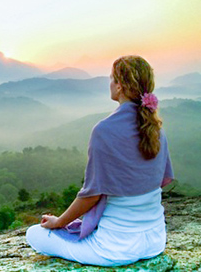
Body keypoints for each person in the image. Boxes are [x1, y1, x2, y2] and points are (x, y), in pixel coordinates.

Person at [26, 55, 174, 267]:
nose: (110, 83)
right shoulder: (156, 129)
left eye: (112, 78)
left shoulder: (104, 130)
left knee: (35, 234)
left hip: (115, 248)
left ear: (120, 86)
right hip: (155, 241)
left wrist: (59, 222)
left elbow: (91, 196)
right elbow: (160, 180)